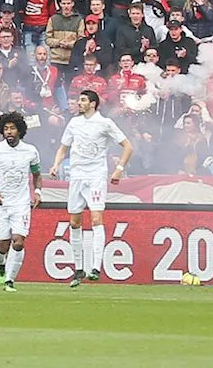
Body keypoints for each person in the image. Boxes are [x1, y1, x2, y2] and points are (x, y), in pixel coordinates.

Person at [48, 88, 133, 287]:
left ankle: (96, 267)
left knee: (96, 218)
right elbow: (63, 147)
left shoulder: (105, 123)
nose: (79, 103)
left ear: (93, 103)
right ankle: (79, 269)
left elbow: (128, 146)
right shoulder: (74, 123)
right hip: (76, 176)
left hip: (95, 176)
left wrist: (119, 169)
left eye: (83, 100)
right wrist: (56, 164)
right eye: (79, 100)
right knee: (75, 222)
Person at [0, 110, 42, 292]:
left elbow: (37, 174)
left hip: (21, 204)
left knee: (18, 241)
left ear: (19, 130)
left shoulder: (30, 151)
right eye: (6, 128)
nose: (8, 132)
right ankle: (1, 264)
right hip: (1, 204)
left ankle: (9, 280)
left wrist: (38, 192)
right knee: (3, 245)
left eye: (12, 128)